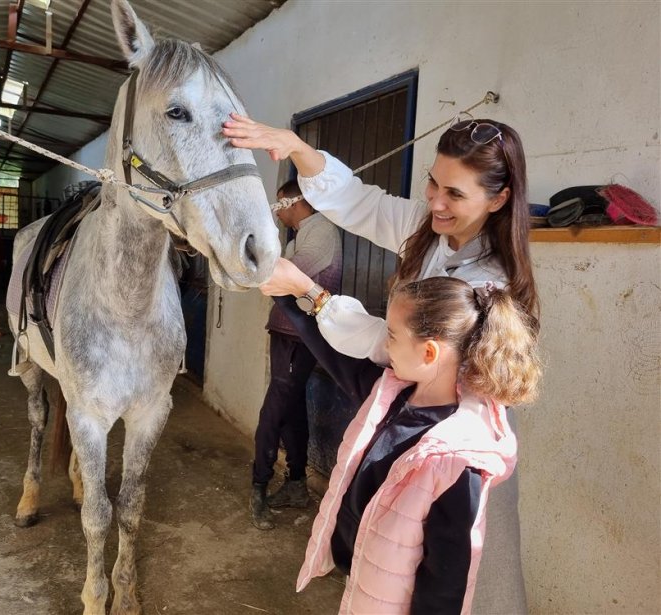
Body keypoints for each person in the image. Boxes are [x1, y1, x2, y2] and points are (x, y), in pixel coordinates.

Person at [223, 112, 538, 612]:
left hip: (447, 432)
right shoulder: (431, 228)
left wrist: (309, 293)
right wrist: (297, 148)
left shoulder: (485, 281)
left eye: (455, 194)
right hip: (416, 409)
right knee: (392, 561)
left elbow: (390, 347)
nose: (436, 201)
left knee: (452, 582)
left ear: (498, 199)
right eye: (433, 182)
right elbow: (362, 204)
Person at [297, 277, 541, 613]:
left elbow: (445, 585)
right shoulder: (393, 395)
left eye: (392, 336)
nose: (385, 343)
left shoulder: (454, 460)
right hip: (365, 587)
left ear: (428, 353)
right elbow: (331, 354)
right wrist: (294, 293)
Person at [250, 179, 343, 530]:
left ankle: (258, 486)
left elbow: (281, 275)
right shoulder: (301, 235)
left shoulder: (321, 232)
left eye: (279, 205)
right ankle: (296, 484)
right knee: (290, 407)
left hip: (298, 334)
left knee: (275, 407)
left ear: (295, 202)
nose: (278, 213)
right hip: (290, 332)